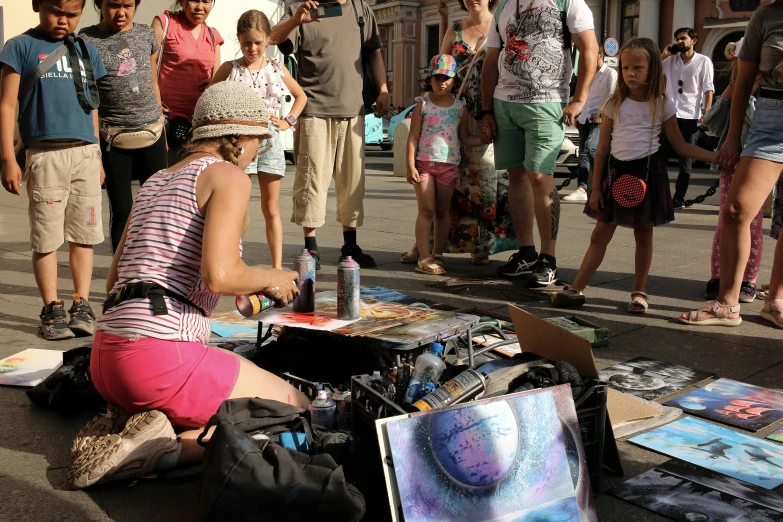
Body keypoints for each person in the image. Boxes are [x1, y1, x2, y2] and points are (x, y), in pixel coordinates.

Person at [66, 82, 310, 490]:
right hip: (156, 361)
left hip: (105, 359)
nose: (257, 152)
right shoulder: (226, 176)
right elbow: (220, 274)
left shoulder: (157, 180)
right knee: (294, 409)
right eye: (257, 141)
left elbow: (113, 280)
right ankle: (159, 449)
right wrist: (273, 276)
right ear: (235, 138)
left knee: (228, 383)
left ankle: (133, 422)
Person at [548, 38, 716, 313]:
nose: (630, 73)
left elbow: (681, 145)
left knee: (644, 236)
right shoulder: (615, 103)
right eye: (626, 67)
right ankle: (577, 287)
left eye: (638, 67)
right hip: (615, 173)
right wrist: (595, 189)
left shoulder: (663, 104)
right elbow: (601, 150)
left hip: (649, 174)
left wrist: (716, 157)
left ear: (653, 70)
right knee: (599, 235)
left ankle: (639, 291)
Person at [0, 0, 107, 340]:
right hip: (44, 155)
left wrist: (98, 155)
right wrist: (8, 158)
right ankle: (51, 308)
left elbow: (92, 105)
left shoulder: (85, 49)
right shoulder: (19, 46)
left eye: (72, 14)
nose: (63, 20)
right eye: (56, 11)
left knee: (84, 236)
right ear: (37, 5)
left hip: (85, 155)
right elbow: (6, 104)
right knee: (46, 238)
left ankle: (82, 303)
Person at [680, 1, 783, 329]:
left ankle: (776, 300)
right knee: (738, 209)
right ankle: (727, 303)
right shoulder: (766, 16)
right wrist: (733, 137)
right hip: (770, 118)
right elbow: (743, 80)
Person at [481, 0, 599, 286]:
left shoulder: (568, 2)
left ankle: (549, 259)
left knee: (540, 176)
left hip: (547, 103)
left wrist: (580, 99)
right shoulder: (504, 7)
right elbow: (491, 60)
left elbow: (590, 50)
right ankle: (527, 253)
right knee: (516, 177)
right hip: (504, 103)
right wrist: (485, 111)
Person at [271, 0, 389, 270]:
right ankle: (310, 248)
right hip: (314, 110)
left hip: (353, 110)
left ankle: (350, 246)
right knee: (311, 181)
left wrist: (383, 89)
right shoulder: (302, 8)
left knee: (352, 183)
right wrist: (295, 20)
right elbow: (272, 38)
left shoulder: (361, 9)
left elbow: (374, 53)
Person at [400, 0, 518, 266]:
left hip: (488, 110)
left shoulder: (502, 23)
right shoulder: (454, 28)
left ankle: (483, 243)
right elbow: (441, 66)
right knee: (448, 186)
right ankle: (425, 246)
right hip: (452, 111)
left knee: (486, 179)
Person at [210, 10, 307, 270]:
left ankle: (276, 268)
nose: (252, 48)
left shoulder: (276, 68)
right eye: (246, 42)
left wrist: (288, 121)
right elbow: (210, 97)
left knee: (271, 207)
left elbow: (302, 97)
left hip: (271, 141)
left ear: (267, 40)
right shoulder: (230, 68)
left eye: (258, 43)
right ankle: (232, 264)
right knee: (236, 207)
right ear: (239, 39)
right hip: (238, 142)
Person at [81, 0, 167, 253]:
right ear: (99, 4)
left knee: (155, 208)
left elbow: (153, 79)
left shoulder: (146, 34)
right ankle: (120, 280)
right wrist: (95, 149)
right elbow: (89, 97)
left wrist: (162, 124)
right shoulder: (85, 40)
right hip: (113, 138)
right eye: (113, 5)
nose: (121, 12)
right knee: (121, 211)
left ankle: (153, 272)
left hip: (152, 132)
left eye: (128, 5)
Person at [406, 54, 483, 275]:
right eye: (437, 77)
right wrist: (410, 166)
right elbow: (412, 137)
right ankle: (423, 257)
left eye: (447, 78)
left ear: (455, 81)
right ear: (429, 79)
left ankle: (438, 254)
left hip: (449, 166)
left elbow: (466, 137)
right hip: (424, 164)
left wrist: (483, 139)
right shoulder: (423, 105)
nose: (442, 82)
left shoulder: (460, 107)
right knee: (426, 210)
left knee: (442, 212)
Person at [703, 38, 762, 303]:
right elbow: (711, 123)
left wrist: (750, 93)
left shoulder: (767, 94)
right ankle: (718, 275)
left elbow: (755, 122)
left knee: (752, 225)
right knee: (724, 224)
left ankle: (748, 279)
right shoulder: (733, 88)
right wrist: (730, 93)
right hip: (731, 165)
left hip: (758, 165)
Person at [152, 0, 223, 165]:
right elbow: (147, 67)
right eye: (194, 1)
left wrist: (212, 83)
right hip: (167, 122)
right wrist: (154, 100)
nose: (200, 7)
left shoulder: (213, 35)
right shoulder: (164, 23)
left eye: (206, 1)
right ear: (182, 2)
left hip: (201, 125)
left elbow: (217, 78)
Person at [660, 27, 715, 208]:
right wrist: (664, 54)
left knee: (686, 162)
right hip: (669, 114)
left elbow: (708, 89)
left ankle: (678, 198)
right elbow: (653, 71)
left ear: (694, 40)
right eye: (678, 39)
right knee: (660, 158)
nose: (680, 41)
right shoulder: (669, 61)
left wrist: (705, 114)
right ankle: (661, 195)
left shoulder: (703, 61)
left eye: (683, 38)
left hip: (691, 116)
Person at [562, 49, 617, 202]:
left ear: (600, 55)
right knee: (583, 154)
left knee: (591, 147)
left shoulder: (610, 73)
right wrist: (580, 113)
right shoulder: (587, 74)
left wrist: (601, 114)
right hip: (585, 118)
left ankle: (606, 179)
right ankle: (582, 188)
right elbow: (583, 96)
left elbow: (613, 95)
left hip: (601, 119)